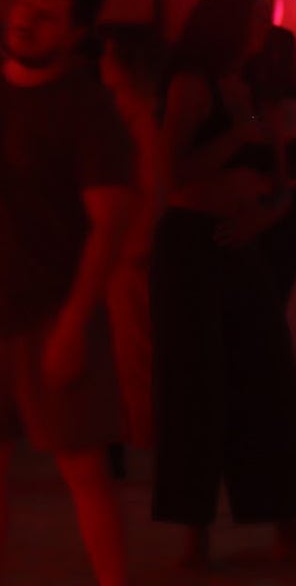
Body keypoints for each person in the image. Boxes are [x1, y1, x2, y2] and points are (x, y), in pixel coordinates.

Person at [150, 0, 296, 568]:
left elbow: (276, 179)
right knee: (197, 387)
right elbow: (169, 172)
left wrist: (261, 216)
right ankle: (194, 533)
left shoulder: (247, 91)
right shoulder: (193, 87)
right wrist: (233, 139)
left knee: (267, 379)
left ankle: (283, 523)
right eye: (253, 20)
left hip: (241, 241)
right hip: (192, 245)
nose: (262, 30)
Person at [0, 0, 133, 586]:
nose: (28, 20)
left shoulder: (84, 108)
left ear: (75, 33)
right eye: (28, 4)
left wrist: (74, 324)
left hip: (49, 309)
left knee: (83, 467)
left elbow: (111, 221)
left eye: (48, 17)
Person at [99, 24, 167, 458]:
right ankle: (132, 430)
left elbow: (153, 185)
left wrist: (137, 245)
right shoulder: (133, 110)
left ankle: (142, 433)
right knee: (129, 349)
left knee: (134, 350)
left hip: (130, 249)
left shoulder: (141, 114)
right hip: (124, 246)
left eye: (107, 54)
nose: (100, 62)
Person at [248, 26, 296, 301]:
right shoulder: (284, 103)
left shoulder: (276, 105)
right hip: (275, 202)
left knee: (263, 296)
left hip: (269, 201)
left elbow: (278, 152)